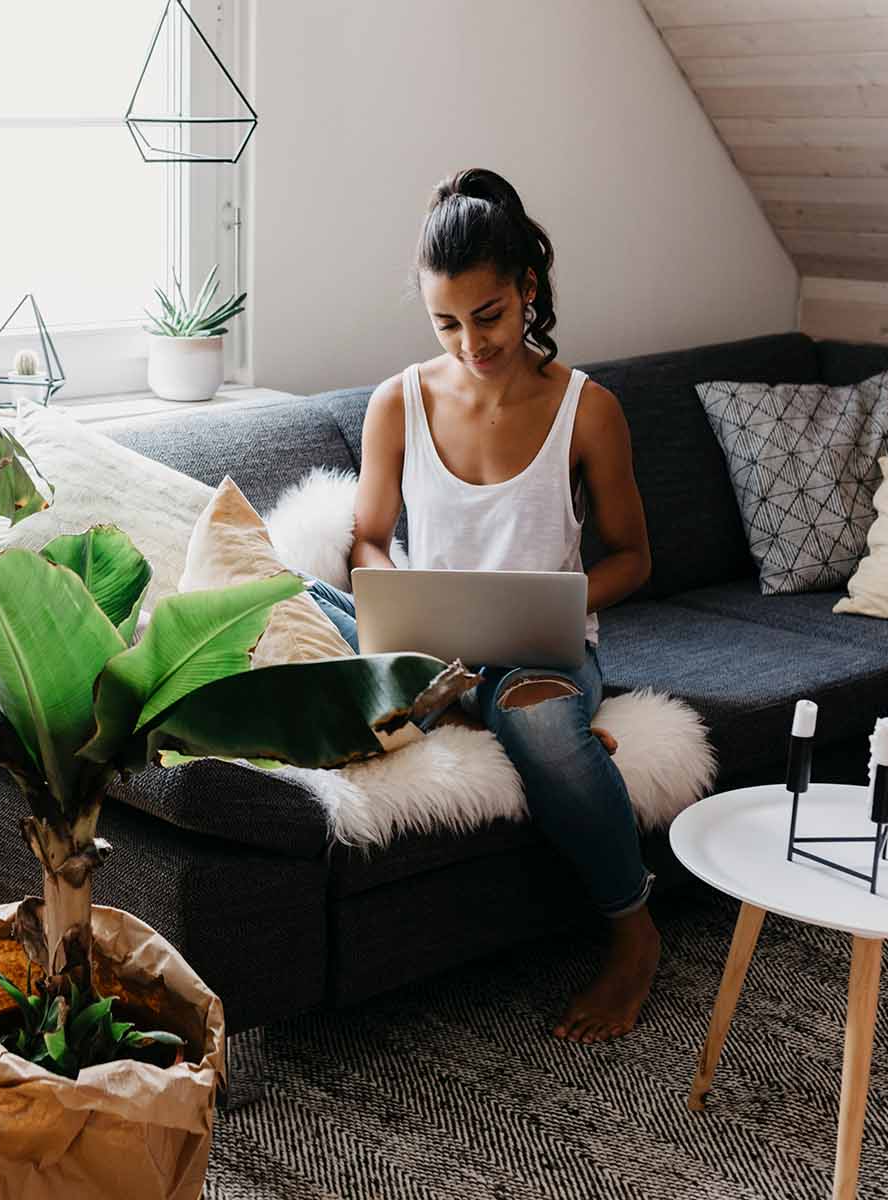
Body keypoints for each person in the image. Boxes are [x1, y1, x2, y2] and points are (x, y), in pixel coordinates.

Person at [306, 167, 657, 1043]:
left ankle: (634, 934)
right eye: (447, 323)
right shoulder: (398, 402)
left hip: (541, 651)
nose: (471, 342)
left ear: (527, 288)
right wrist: (391, 590)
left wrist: (562, 597)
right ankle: (476, 710)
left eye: (489, 316)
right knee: (295, 597)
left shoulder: (588, 409)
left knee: (537, 714)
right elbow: (370, 541)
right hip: (434, 647)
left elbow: (635, 557)